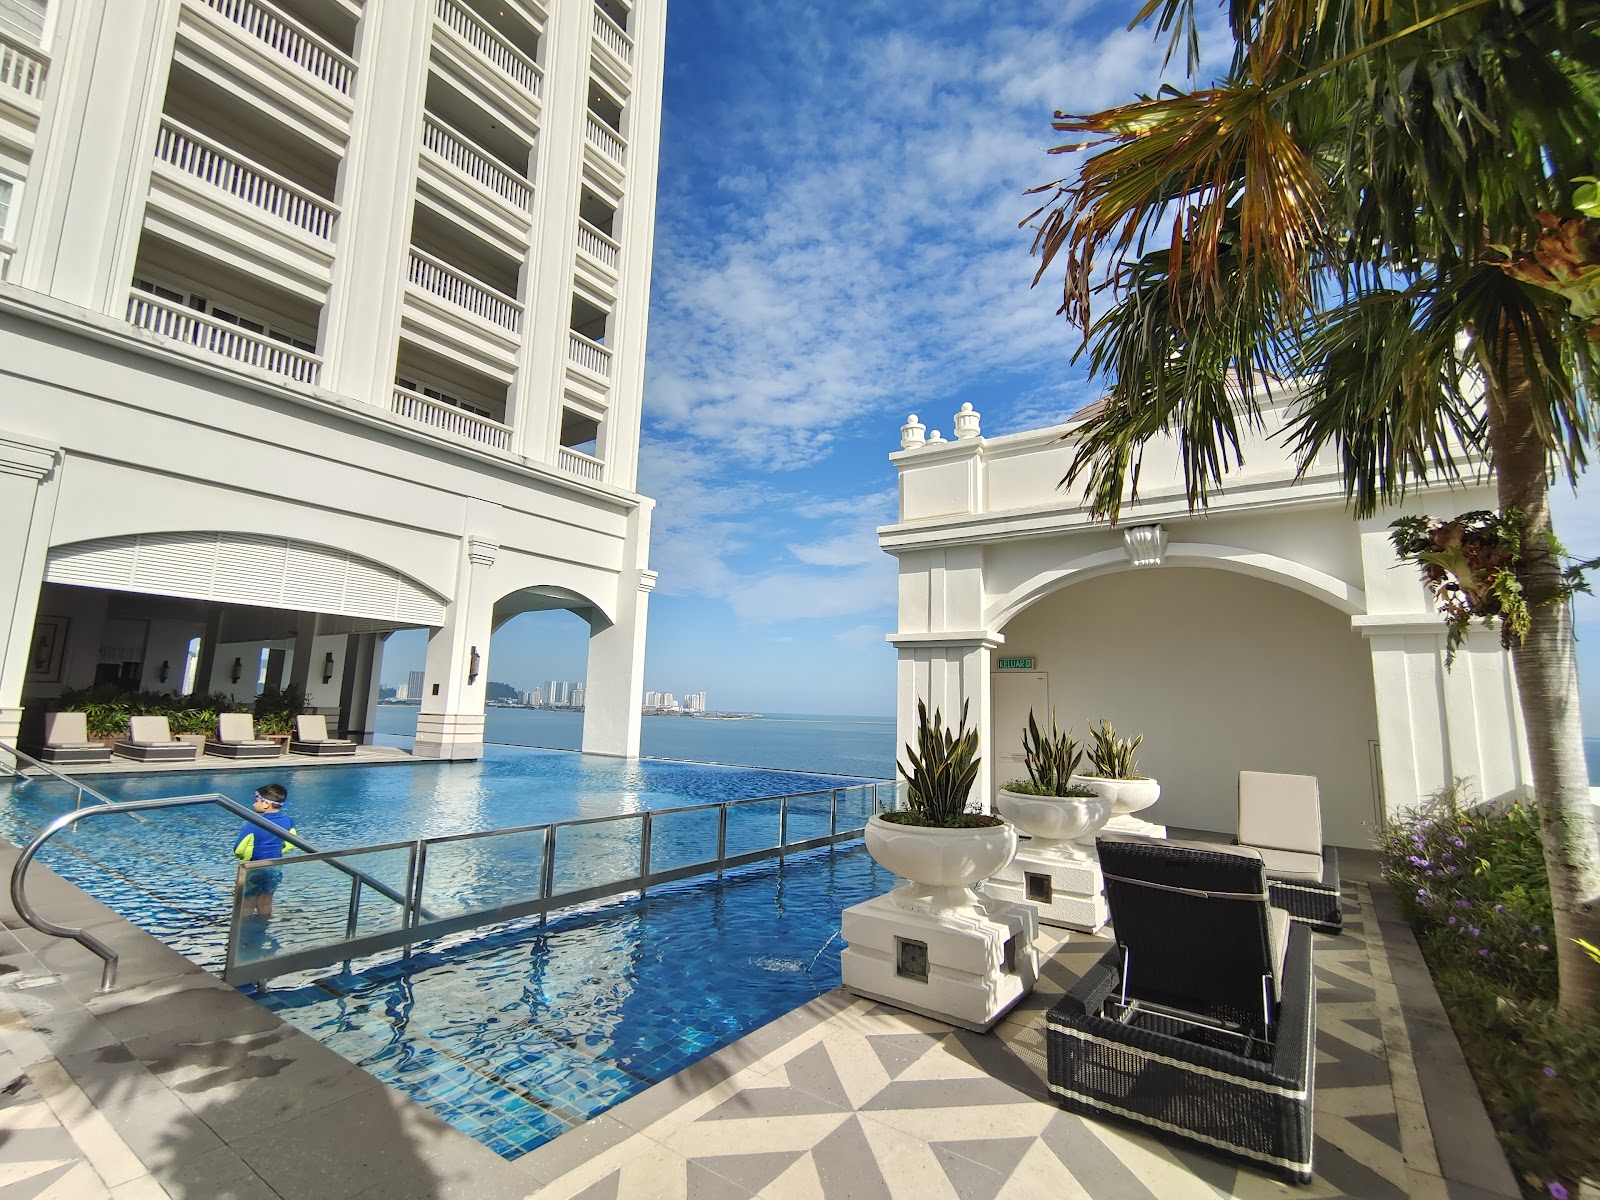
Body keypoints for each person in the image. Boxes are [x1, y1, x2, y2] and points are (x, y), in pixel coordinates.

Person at [233, 783, 297, 920]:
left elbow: (239, 849)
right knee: (266, 900)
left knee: (247, 901)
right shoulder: (288, 821)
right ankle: (262, 927)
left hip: (254, 866)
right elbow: (291, 843)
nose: (253, 804)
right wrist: (278, 851)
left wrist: (245, 858)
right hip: (275, 865)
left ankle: (242, 930)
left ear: (266, 804)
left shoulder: (253, 823)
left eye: (256, 801)